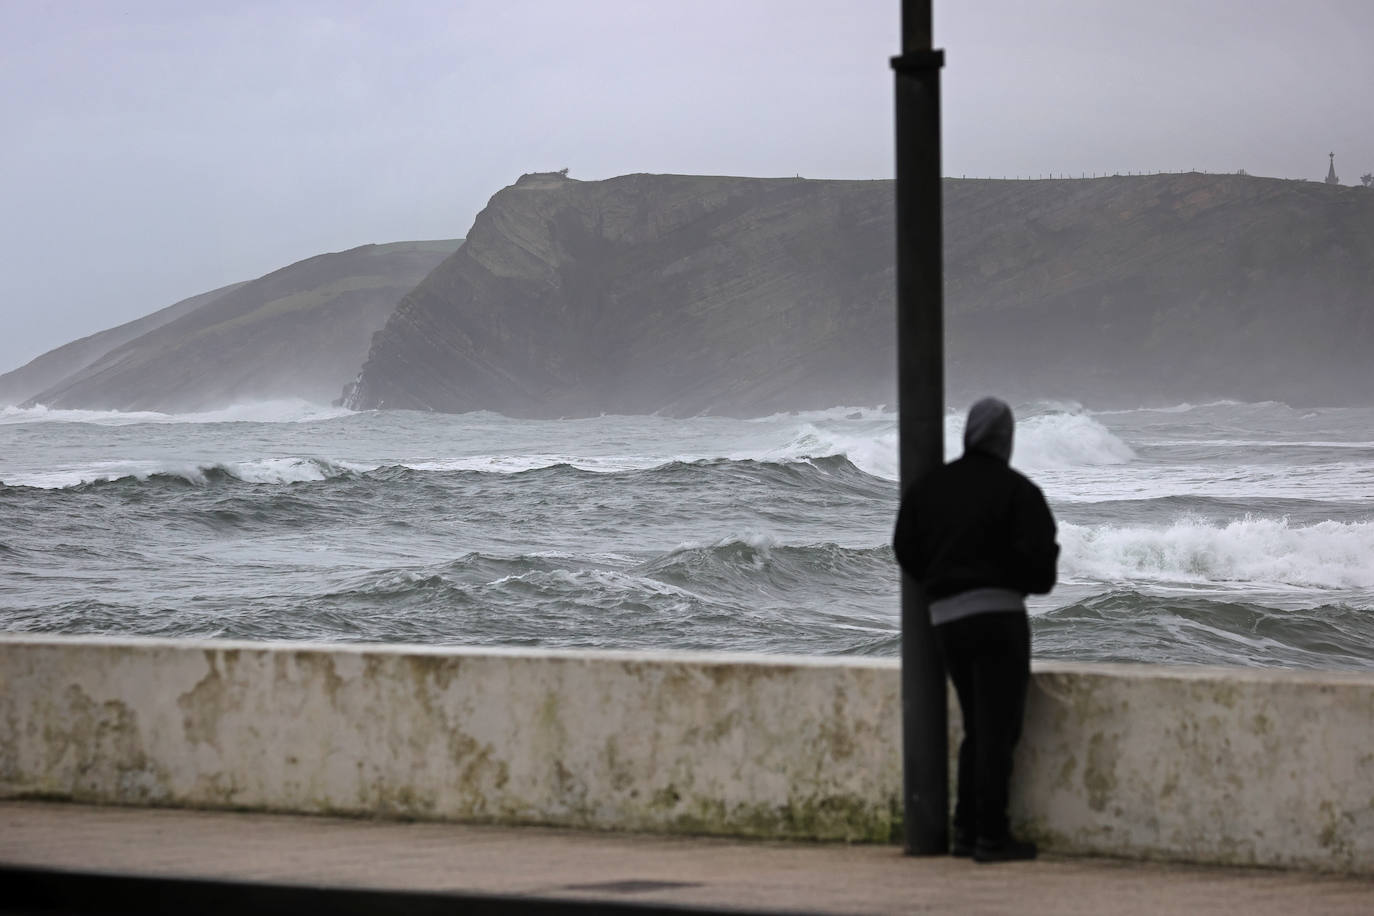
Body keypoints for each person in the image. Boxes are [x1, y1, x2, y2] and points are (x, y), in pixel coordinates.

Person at [892, 397, 1059, 863]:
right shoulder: (1017, 492)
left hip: (947, 620)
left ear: (968, 435)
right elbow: (1042, 572)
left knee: (974, 728)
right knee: (997, 729)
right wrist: (1009, 580)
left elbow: (905, 546)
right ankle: (991, 837)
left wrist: (940, 581)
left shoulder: (931, 488)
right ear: (1005, 440)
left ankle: (966, 831)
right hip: (999, 619)